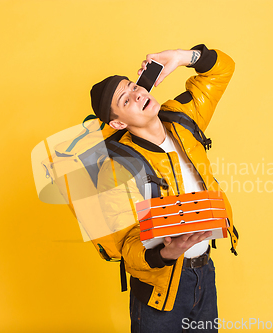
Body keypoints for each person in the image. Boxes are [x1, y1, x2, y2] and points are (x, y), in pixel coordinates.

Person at [90, 44, 238, 333]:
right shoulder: (115, 166)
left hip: (204, 274)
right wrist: (167, 254)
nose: (138, 93)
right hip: (161, 291)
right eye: (126, 99)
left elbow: (223, 69)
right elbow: (126, 247)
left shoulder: (182, 119)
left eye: (134, 86)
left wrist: (184, 58)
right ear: (117, 121)